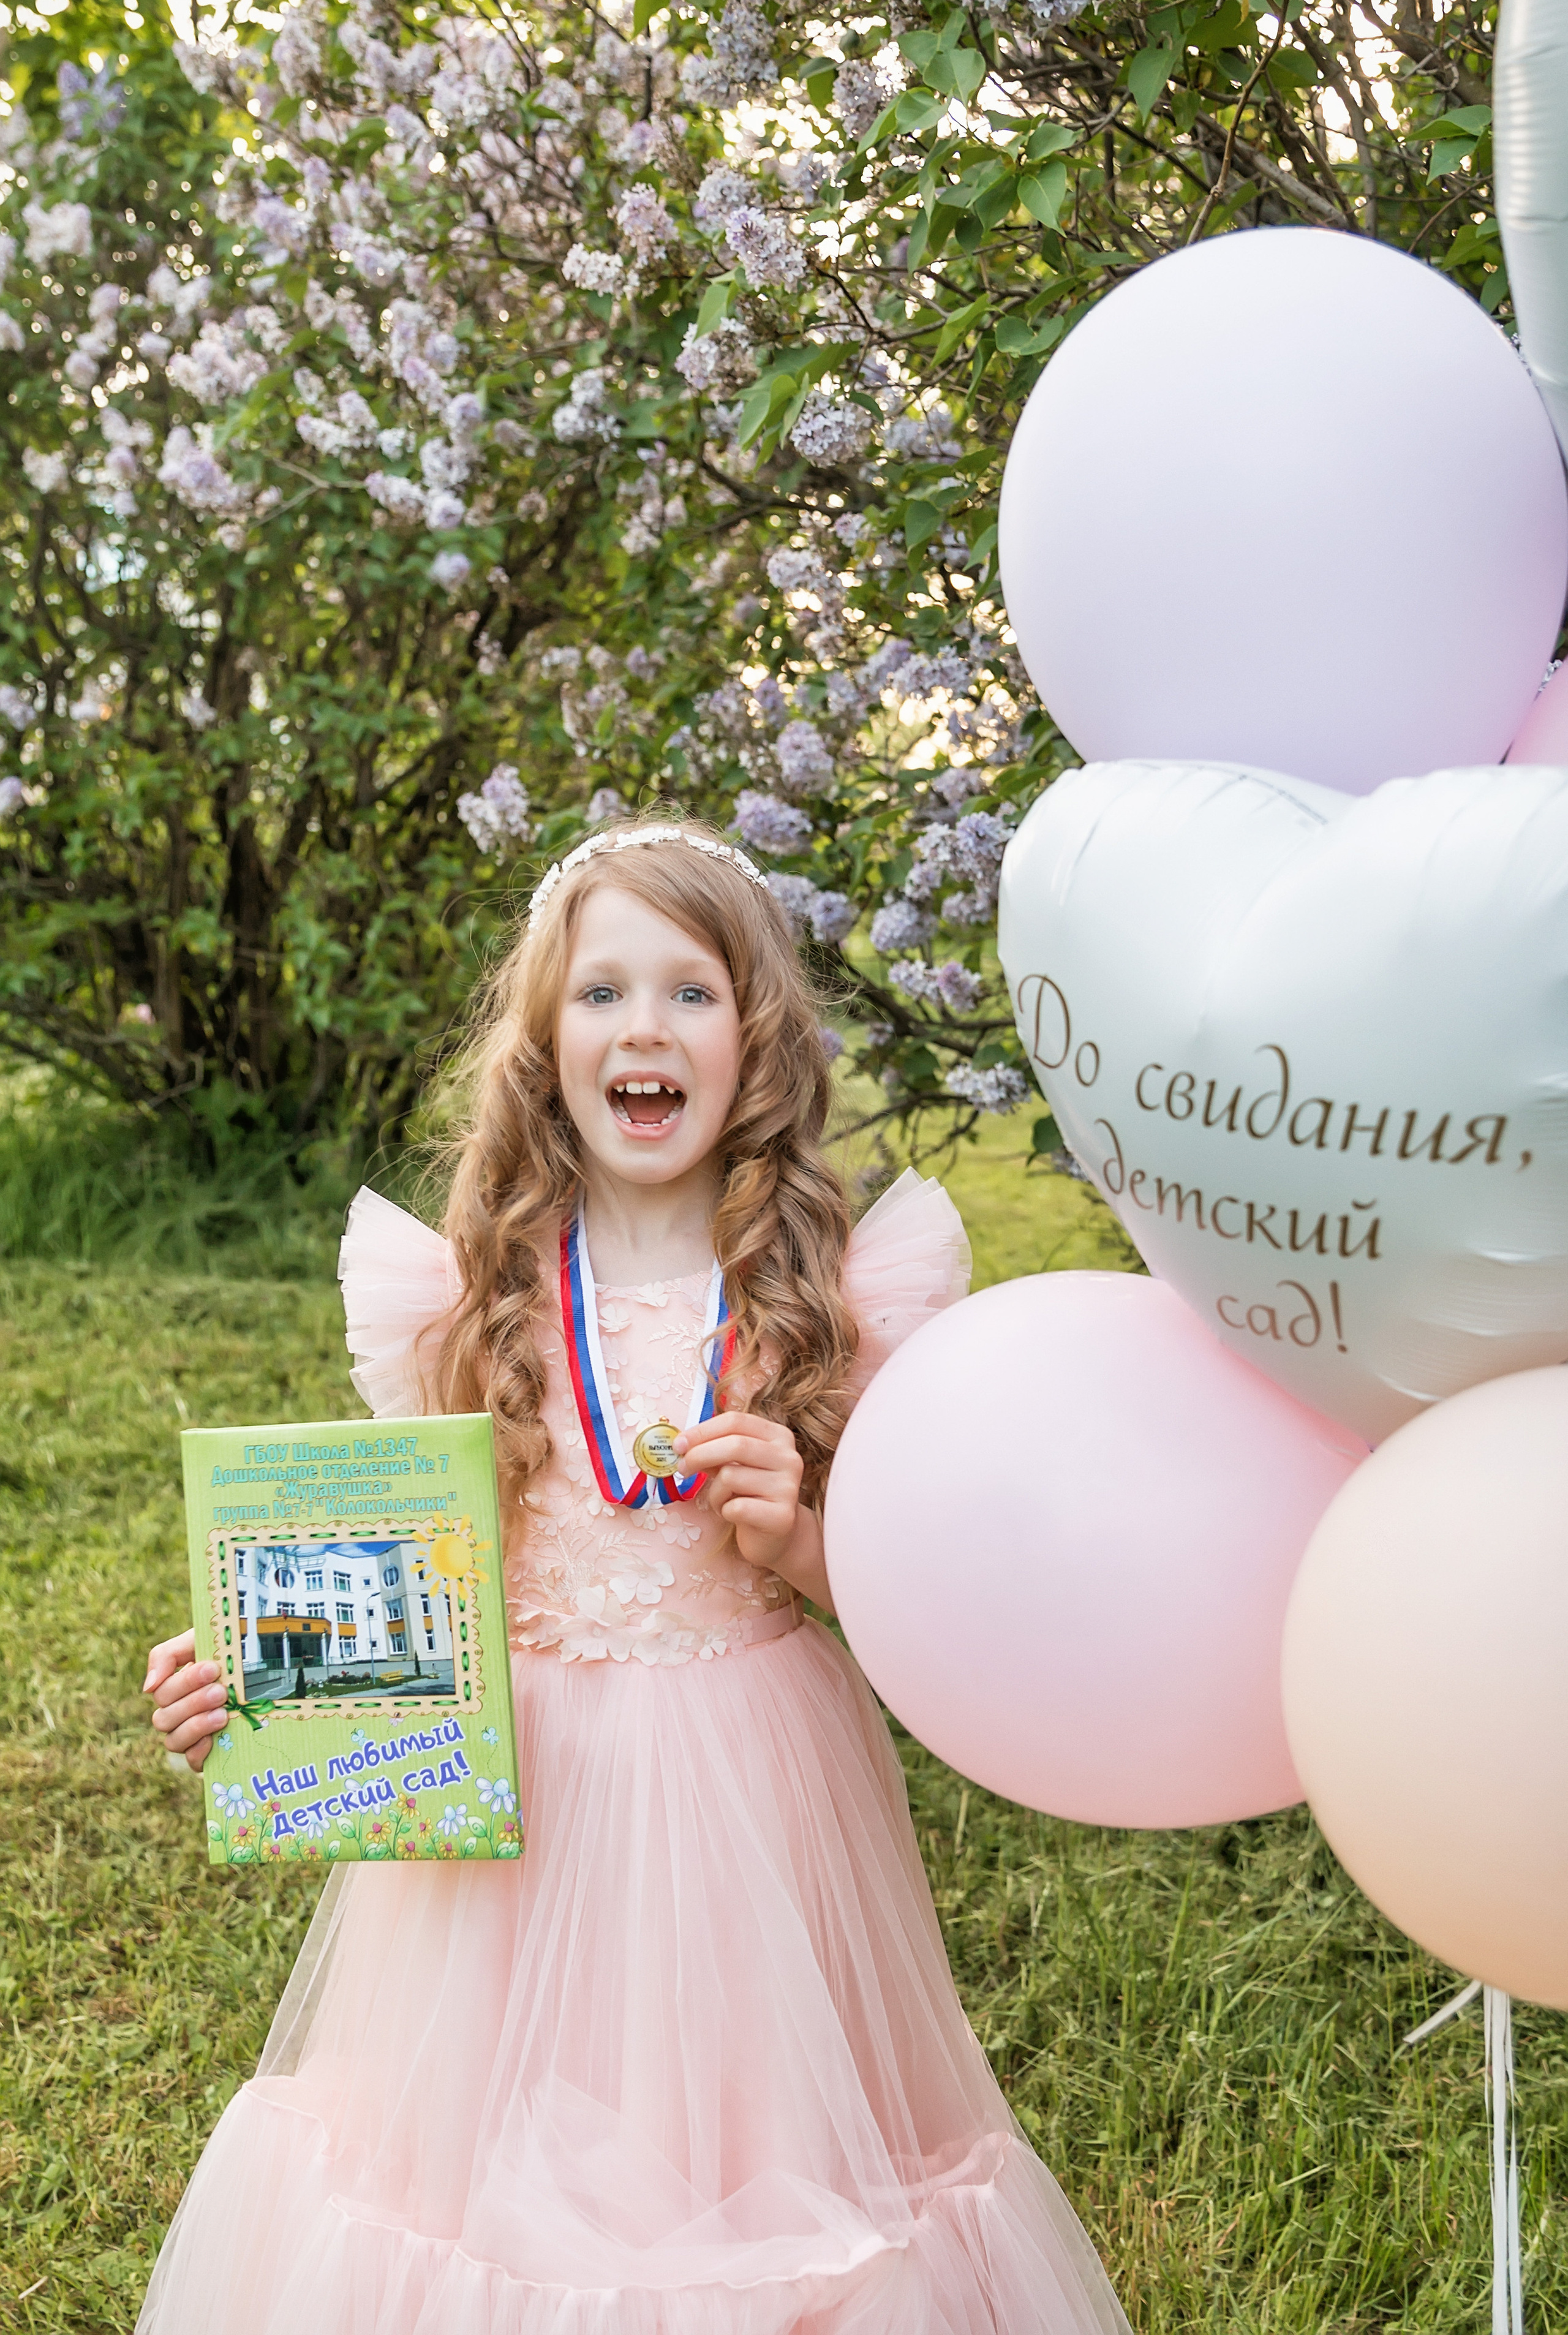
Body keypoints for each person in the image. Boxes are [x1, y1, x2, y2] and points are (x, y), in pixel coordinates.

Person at [139, 818, 1131, 2335]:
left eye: (690, 991)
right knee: (472, 2174)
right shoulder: (464, 1298)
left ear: (755, 1039)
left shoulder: (834, 1295)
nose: (643, 1028)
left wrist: (801, 1537)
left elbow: (917, 1611)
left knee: (756, 2160)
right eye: (601, 993)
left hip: (755, 1779)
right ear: (545, 1039)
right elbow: (399, 1585)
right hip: (511, 1813)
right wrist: (256, 1685)